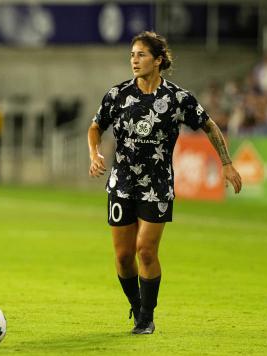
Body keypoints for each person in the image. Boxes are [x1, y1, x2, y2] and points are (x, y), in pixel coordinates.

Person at [87, 31, 242, 335]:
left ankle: (147, 317)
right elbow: (96, 127)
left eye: (141, 55)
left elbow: (209, 126)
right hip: (121, 184)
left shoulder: (177, 98)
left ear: (158, 60)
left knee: (145, 250)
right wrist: (93, 153)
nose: (134, 60)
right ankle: (136, 304)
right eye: (132, 54)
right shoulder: (117, 94)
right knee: (122, 256)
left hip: (157, 186)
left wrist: (226, 162)